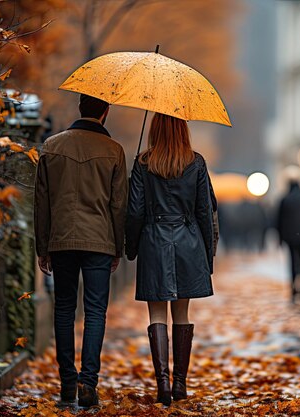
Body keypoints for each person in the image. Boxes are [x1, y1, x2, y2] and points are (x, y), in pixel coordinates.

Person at [34, 94, 127, 407]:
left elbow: (42, 202)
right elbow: (118, 205)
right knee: (95, 311)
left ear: (80, 108)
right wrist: (118, 245)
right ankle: (89, 380)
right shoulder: (114, 151)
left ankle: (67, 382)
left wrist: (42, 245)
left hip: (61, 238)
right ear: (106, 112)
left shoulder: (52, 146)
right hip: (99, 240)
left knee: (64, 308)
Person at [125, 113, 215, 406]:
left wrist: (132, 246)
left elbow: (135, 211)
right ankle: (180, 384)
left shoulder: (143, 163)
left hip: (154, 240)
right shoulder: (196, 162)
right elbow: (205, 211)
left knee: (157, 315)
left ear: (155, 129)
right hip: (189, 243)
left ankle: (162, 383)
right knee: (181, 315)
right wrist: (207, 256)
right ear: (182, 130)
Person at [276, 168, 300, 301]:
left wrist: (280, 238)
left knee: (292, 261)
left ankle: (293, 284)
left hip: (290, 236)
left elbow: (279, 220)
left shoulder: (285, 199)